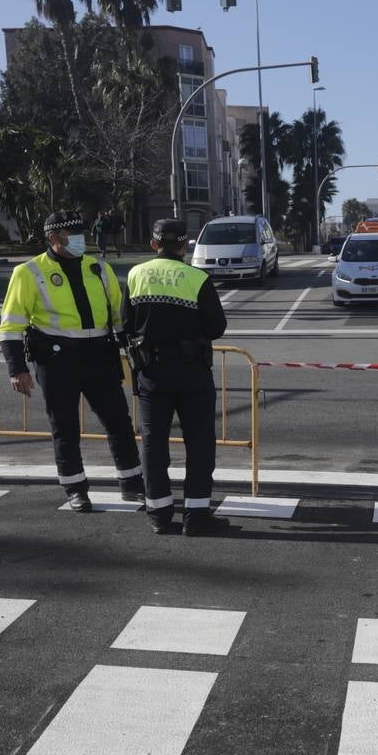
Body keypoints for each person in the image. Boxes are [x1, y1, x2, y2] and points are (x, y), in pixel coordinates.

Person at [0, 210, 145, 512]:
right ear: (53, 238)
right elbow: (11, 325)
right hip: (56, 359)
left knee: (118, 421)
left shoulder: (99, 268)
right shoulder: (28, 272)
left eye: (82, 233)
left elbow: (120, 318)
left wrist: (133, 354)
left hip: (99, 356)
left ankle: (132, 485)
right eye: (72, 234)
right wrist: (17, 369)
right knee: (64, 426)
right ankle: (75, 489)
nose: (81, 239)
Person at [124, 219, 229, 536]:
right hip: (191, 372)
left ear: (154, 244)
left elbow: (125, 323)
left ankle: (158, 513)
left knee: (153, 445)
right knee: (199, 445)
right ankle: (195, 516)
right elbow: (216, 328)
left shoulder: (135, 275)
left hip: (150, 372)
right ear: (186, 245)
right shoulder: (197, 278)